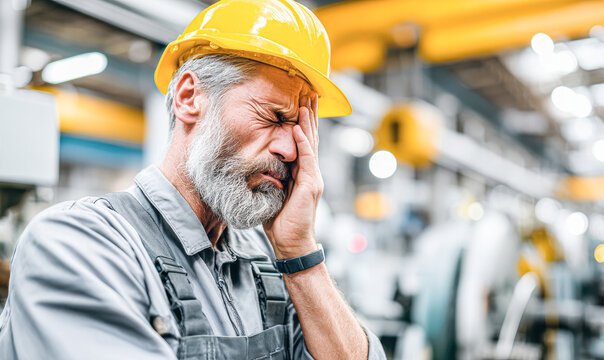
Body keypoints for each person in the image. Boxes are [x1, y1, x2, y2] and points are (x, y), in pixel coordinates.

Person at [0, 0, 386, 359]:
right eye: (275, 116)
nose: (291, 150)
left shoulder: (272, 260)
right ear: (189, 97)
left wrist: (299, 252)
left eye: (302, 127)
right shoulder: (80, 246)